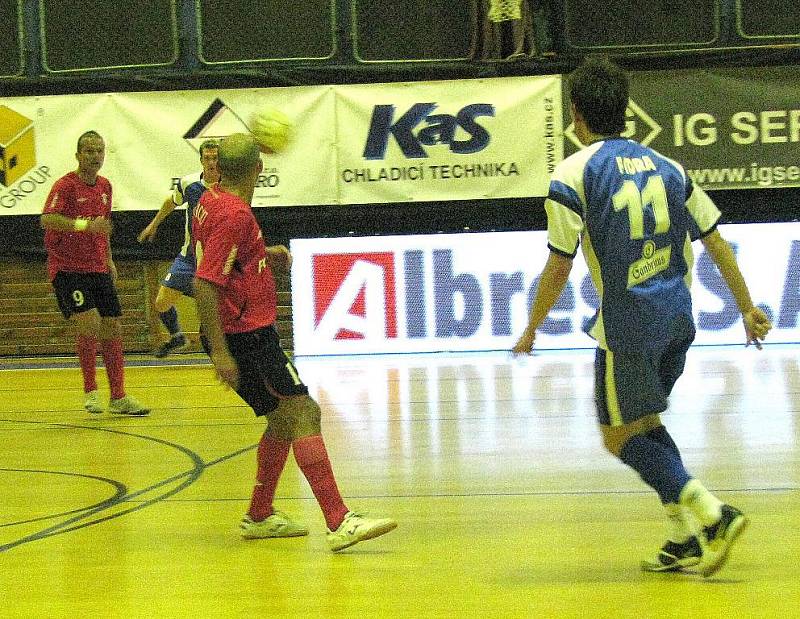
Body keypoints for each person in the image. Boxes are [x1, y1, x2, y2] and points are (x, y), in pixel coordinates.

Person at [512, 58, 772, 577]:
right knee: (645, 424)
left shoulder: (573, 173)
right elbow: (716, 240)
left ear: (576, 114)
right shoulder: (670, 168)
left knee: (618, 434)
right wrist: (747, 307)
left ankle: (713, 516)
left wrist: (532, 325)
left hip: (627, 324)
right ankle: (685, 540)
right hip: (678, 318)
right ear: (626, 110)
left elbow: (559, 264)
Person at [192, 133, 397, 551]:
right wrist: (222, 353)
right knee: (303, 412)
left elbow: (220, 254)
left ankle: (260, 513)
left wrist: (262, 254)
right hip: (245, 336)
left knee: (283, 419)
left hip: (244, 332)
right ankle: (339, 521)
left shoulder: (210, 201)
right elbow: (204, 284)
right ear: (259, 169)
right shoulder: (235, 214)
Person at [41, 130, 150, 416]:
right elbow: (47, 219)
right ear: (78, 155)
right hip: (68, 269)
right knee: (88, 323)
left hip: (97, 267)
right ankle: (91, 391)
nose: (95, 156)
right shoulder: (65, 186)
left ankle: (118, 397)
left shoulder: (105, 186)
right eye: (89, 151)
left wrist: (109, 259)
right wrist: (84, 227)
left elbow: (104, 227)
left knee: (112, 326)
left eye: (99, 151)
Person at [138, 140, 220, 357]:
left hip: (216, 261)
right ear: (201, 160)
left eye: (215, 158)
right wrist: (153, 225)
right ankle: (177, 336)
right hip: (189, 258)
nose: (212, 162)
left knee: (218, 314)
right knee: (161, 303)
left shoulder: (229, 187)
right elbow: (171, 202)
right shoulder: (189, 184)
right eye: (208, 158)